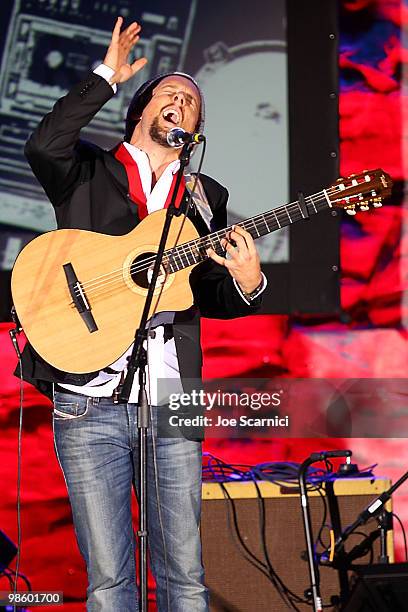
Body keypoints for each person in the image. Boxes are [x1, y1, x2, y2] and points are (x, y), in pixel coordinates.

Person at [18, 17, 266, 611]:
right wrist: (106, 75)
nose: (182, 102)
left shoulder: (207, 196)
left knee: (185, 575)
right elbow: (41, 144)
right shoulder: (88, 172)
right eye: (170, 94)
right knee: (109, 580)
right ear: (141, 111)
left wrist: (248, 283)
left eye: (193, 102)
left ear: (197, 127)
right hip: (87, 397)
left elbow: (201, 293)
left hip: (171, 398)